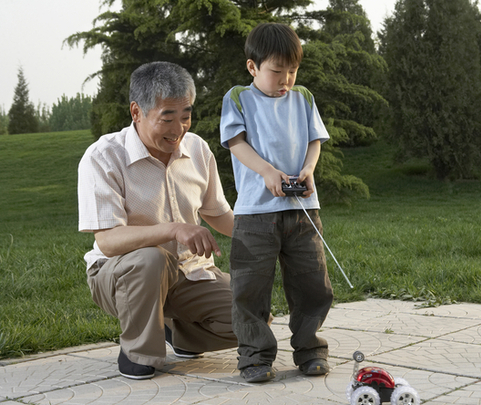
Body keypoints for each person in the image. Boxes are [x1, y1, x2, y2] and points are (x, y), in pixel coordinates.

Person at [78, 62, 239, 380]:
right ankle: (139, 351)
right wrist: (175, 229)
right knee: (152, 257)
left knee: (252, 320)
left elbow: (217, 213)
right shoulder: (104, 156)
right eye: (167, 117)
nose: (178, 128)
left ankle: (177, 332)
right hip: (121, 275)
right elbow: (108, 241)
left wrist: (267, 235)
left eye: (186, 116)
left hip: (188, 273)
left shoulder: (197, 149)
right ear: (136, 112)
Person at [220, 23, 333, 383]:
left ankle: (311, 349)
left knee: (313, 283)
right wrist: (267, 172)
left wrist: (308, 169)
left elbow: (315, 140)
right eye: (276, 70)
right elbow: (235, 143)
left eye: (292, 70)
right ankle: (255, 356)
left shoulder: (303, 98)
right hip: (255, 215)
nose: (285, 78)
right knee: (249, 289)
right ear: (253, 67)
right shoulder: (238, 98)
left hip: (303, 210)